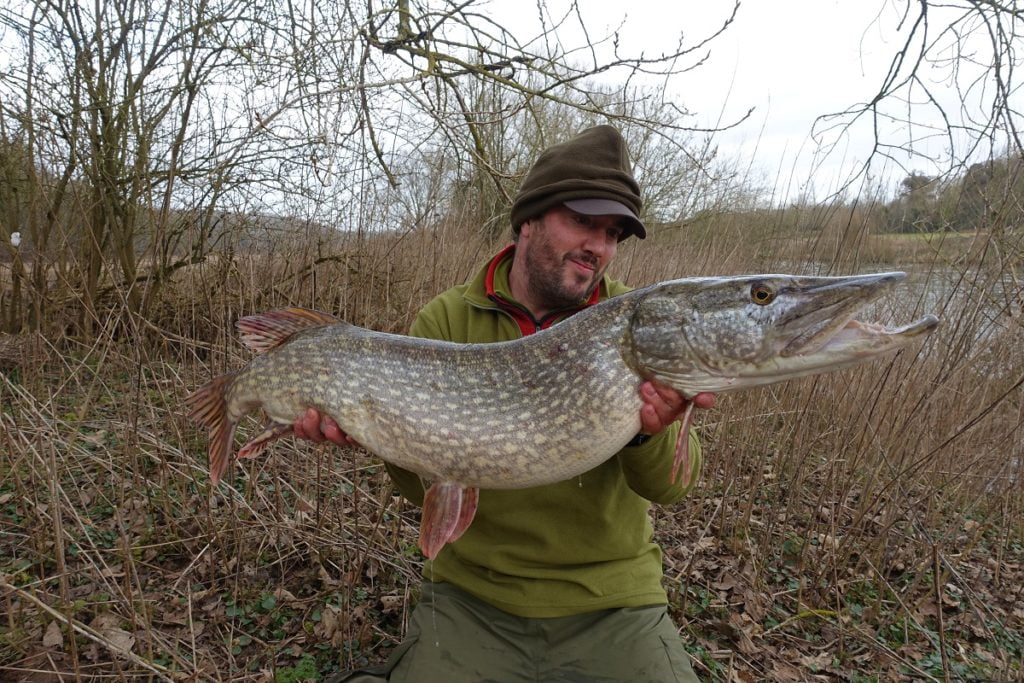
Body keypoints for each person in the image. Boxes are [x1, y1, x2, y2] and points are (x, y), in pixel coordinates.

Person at [307, 125, 715, 682]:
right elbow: (419, 488)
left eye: (612, 233)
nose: (598, 247)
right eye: (582, 222)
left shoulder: (640, 324)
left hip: (613, 602)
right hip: (475, 598)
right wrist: (376, 433)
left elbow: (672, 487)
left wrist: (649, 430)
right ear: (529, 220)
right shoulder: (447, 321)